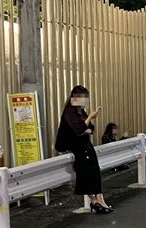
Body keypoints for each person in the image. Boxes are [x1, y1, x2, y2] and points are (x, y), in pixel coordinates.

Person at [55, 85, 113, 214]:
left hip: (82, 142)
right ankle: (96, 200)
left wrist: (89, 122)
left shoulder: (81, 111)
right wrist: (89, 118)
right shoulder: (69, 111)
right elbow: (79, 129)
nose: (85, 100)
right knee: (87, 168)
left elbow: (90, 129)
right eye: (83, 97)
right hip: (73, 144)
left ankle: (98, 199)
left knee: (94, 167)